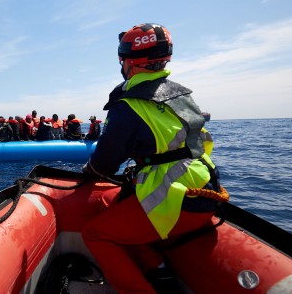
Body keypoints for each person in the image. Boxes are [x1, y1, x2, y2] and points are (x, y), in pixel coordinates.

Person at [80, 23, 225, 293]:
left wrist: (89, 170)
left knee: (95, 234)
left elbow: (104, 164)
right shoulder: (183, 96)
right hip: (206, 190)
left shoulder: (128, 106)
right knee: (114, 203)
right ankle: (158, 272)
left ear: (128, 62)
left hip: (179, 202)